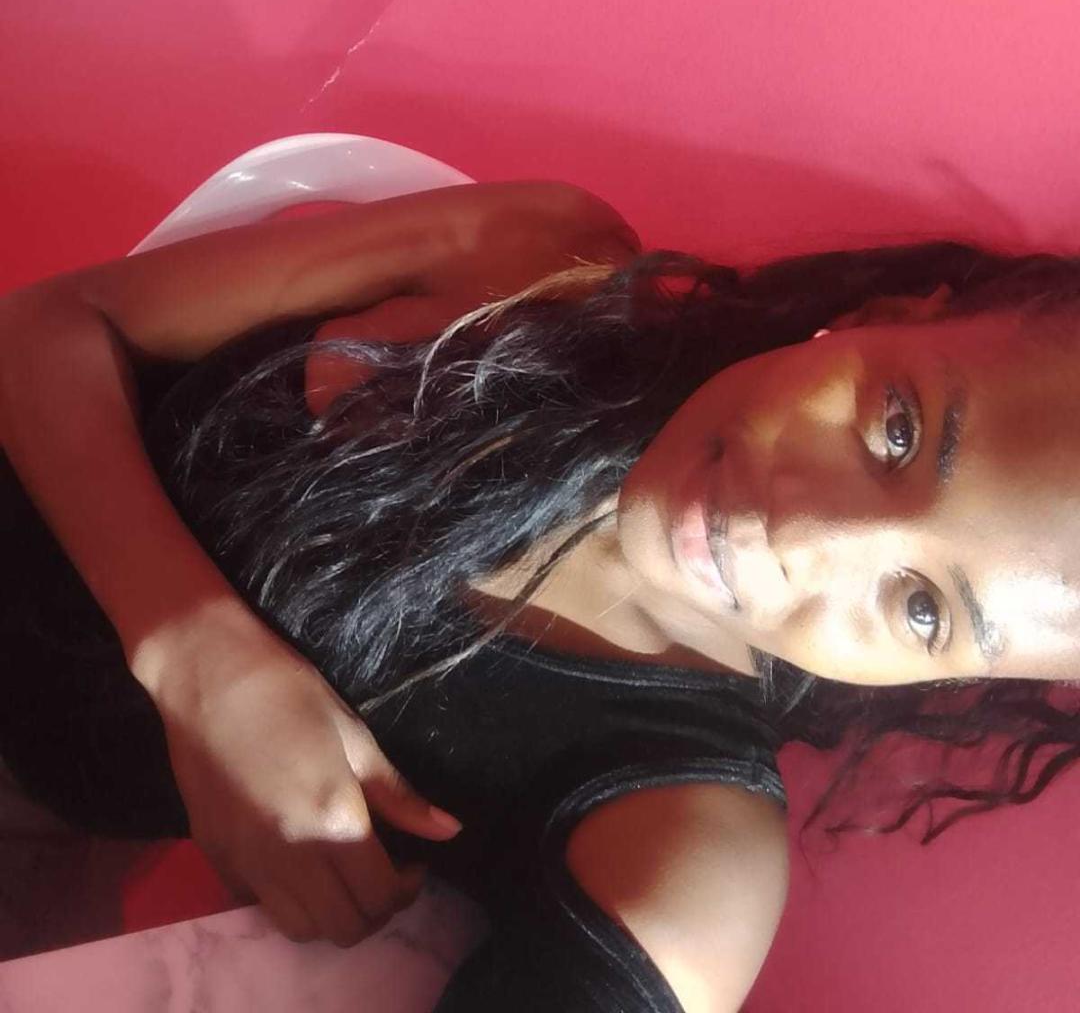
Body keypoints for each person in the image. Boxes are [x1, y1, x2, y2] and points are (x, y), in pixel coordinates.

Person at [3, 177, 1080, 1012]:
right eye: (898, 429)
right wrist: (197, 655)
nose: (802, 534)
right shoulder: (542, 263)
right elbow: (48, 326)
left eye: (923, 610)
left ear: (929, 678)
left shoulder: (681, 846)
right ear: (891, 314)